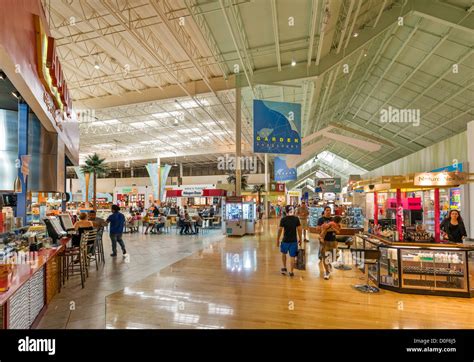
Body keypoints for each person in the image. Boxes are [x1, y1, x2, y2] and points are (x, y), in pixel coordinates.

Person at [276, 205, 302, 277]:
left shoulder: (283, 219)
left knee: (284, 254)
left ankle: (284, 268)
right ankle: (291, 271)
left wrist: (277, 239)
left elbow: (280, 230)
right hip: (294, 241)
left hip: (285, 240)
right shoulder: (296, 219)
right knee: (292, 256)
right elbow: (299, 229)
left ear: (286, 211)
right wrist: (300, 239)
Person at [317, 211, 342, 280]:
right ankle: (327, 272)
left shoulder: (336, 224)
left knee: (334, 256)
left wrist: (332, 229)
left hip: (333, 241)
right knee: (324, 257)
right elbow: (322, 229)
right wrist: (323, 233)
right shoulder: (323, 220)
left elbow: (338, 231)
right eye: (327, 210)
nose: (328, 212)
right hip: (325, 241)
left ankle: (329, 264)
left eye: (329, 210)